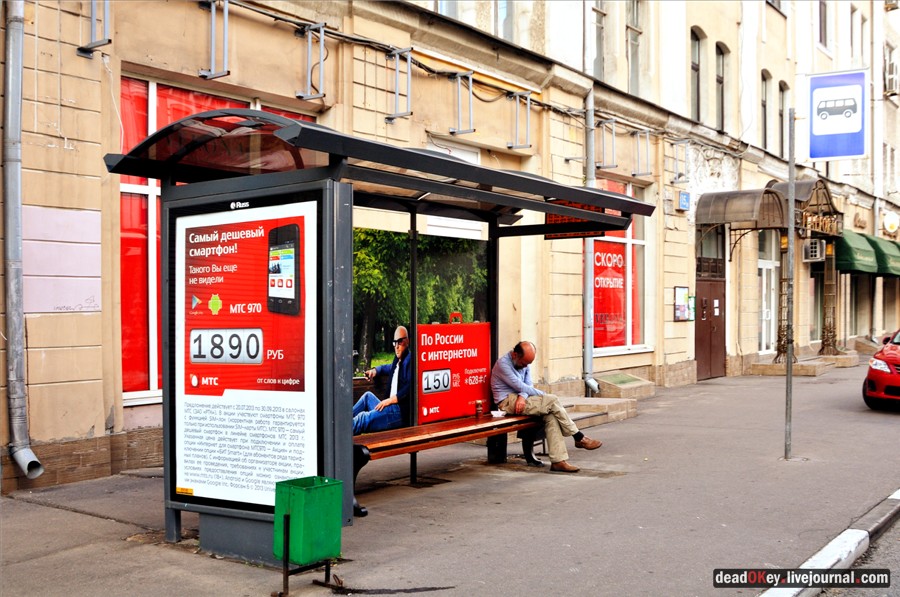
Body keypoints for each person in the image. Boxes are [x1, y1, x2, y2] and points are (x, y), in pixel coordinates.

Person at [490, 340, 602, 473]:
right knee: (552, 400)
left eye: (528, 364)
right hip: (507, 402)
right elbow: (520, 386)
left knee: (551, 416)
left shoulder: (524, 362)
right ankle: (578, 437)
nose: (525, 366)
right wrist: (543, 395)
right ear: (515, 355)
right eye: (523, 363)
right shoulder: (503, 364)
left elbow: (528, 385)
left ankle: (558, 461)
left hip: (520, 399)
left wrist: (522, 396)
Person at [353, 326, 412, 435]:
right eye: (395, 343)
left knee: (362, 419)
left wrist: (389, 401)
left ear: (407, 341)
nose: (397, 346)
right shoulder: (398, 360)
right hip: (389, 409)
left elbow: (410, 388)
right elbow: (389, 367)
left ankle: (338, 435)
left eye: (400, 342)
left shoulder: (411, 361)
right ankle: (343, 422)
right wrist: (375, 371)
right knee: (367, 397)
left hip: (399, 413)